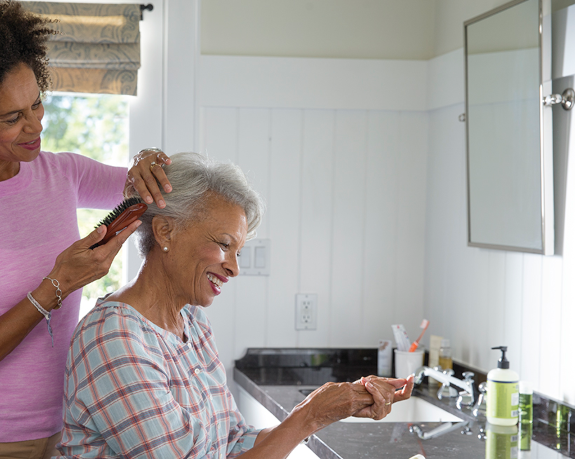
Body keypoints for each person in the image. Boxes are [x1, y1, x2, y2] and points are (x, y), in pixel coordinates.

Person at [0, 0, 171, 457]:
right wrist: (57, 285)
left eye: (37, 103)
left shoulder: (61, 173)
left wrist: (147, 160)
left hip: (66, 433)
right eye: (12, 118)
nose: (36, 125)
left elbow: (149, 186)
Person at [57, 152, 414, 458]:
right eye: (224, 244)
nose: (234, 267)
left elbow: (230, 442)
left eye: (238, 251)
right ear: (166, 232)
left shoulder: (192, 324)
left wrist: (339, 404)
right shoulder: (113, 340)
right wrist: (310, 415)